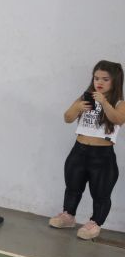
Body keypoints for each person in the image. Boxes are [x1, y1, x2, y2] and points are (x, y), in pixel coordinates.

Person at [49, 61, 124, 240]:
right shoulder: (85, 97)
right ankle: (68, 216)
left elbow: (118, 119)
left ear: (115, 81)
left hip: (102, 156)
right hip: (79, 150)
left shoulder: (119, 103)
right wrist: (77, 107)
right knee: (73, 186)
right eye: (96, 78)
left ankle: (94, 223)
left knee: (101, 193)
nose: (99, 82)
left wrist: (104, 103)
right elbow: (67, 118)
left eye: (105, 79)